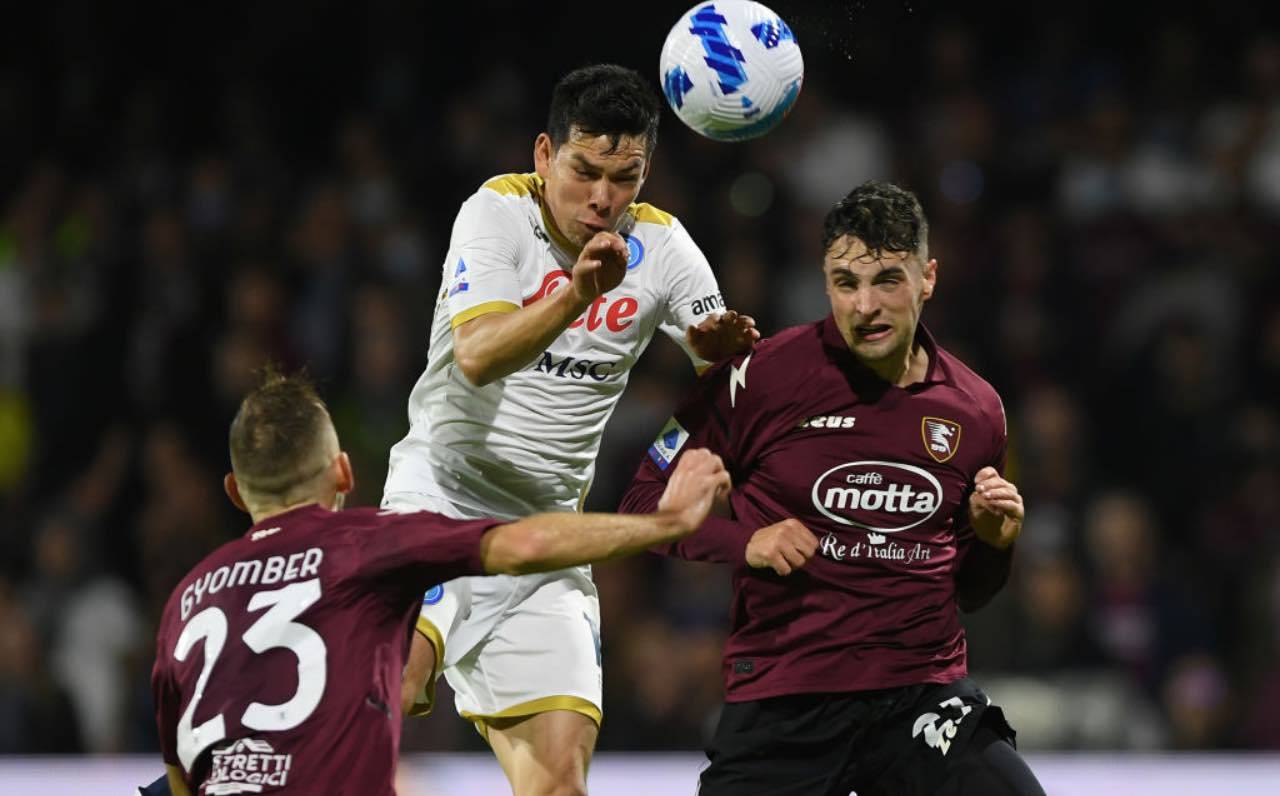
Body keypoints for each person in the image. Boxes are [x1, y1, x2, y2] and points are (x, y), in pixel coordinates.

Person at [382, 63, 756, 793]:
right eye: (585, 171)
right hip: (439, 504)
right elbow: (479, 354)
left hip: (548, 537)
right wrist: (577, 296)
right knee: (385, 695)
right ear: (545, 154)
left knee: (558, 783)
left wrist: (719, 352)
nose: (603, 198)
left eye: (626, 177)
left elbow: (733, 368)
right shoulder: (495, 213)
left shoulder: (665, 247)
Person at [619, 181, 1047, 795]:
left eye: (888, 281)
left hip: (920, 697)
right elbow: (640, 506)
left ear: (928, 278)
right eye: (846, 283)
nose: (865, 306)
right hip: (787, 699)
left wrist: (995, 540)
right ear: (825, 282)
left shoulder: (978, 411)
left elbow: (973, 592)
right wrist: (748, 541)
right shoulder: (757, 376)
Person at [149, 368, 731, 796]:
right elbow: (525, 542)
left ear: (234, 490)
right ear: (345, 473)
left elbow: (180, 778)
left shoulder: (186, 599)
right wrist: (665, 522)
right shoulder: (367, 544)